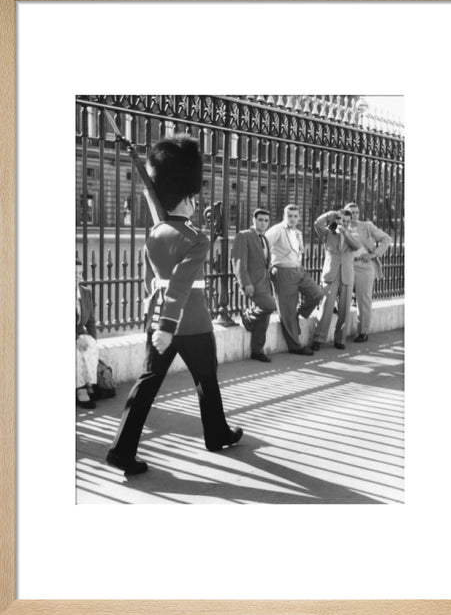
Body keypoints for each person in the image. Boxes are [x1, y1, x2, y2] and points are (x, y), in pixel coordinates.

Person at [106, 135, 242, 475]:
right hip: (192, 323)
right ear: (187, 199)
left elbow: (154, 280)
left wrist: (159, 323)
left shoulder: (154, 234)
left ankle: (121, 450)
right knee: (206, 380)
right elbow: (181, 284)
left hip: (158, 322)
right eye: (193, 198)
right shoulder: (198, 237)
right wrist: (169, 327)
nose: (197, 202)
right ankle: (216, 433)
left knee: (146, 385)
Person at [265, 203, 325, 356]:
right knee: (287, 309)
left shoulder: (297, 232)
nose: (292, 219)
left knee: (317, 294)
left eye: (295, 216)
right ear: (284, 216)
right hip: (283, 271)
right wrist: (268, 266)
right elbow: (264, 245)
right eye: (289, 216)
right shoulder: (277, 230)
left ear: (299, 217)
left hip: (298, 270)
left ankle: (298, 313)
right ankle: (295, 346)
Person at [311, 209, 361, 351]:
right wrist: (330, 215)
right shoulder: (327, 233)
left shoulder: (353, 234)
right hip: (331, 275)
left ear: (349, 221)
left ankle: (340, 339)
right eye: (341, 220)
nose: (343, 223)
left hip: (347, 276)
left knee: (344, 309)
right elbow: (316, 223)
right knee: (326, 307)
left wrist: (345, 232)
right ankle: (318, 338)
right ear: (337, 219)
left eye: (346, 220)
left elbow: (356, 246)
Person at [343, 202, 393, 342]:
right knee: (340, 293)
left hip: (364, 266)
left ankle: (362, 332)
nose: (354, 215)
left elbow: (387, 239)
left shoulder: (366, 226)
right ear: (345, 213)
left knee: (364, 299)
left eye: (357, 212)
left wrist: (374, 254)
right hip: (346, 265)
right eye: (351, 212)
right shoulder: (341, 226)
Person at [231, 208, 275, 363]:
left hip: (265, 282)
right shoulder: (244, 236)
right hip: (252, 283)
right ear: (253, 220)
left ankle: (257, 350)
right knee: (270, 306)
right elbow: (238, 261)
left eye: (266, 220)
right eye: (260, 220)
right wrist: (245, 283)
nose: (263, 223)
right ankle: (248, 316)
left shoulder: (265, 239)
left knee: (265, 318)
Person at [76, 258, 98, 409]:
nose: (78, 276)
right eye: (74, 273)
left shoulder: (85, 293)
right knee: (76, 351)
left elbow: (90, 320)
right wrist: (76, 338)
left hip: (79, 333)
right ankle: (80, 389)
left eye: (80, 273)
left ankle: (89, 383)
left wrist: (93, 339)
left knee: (90, 345)